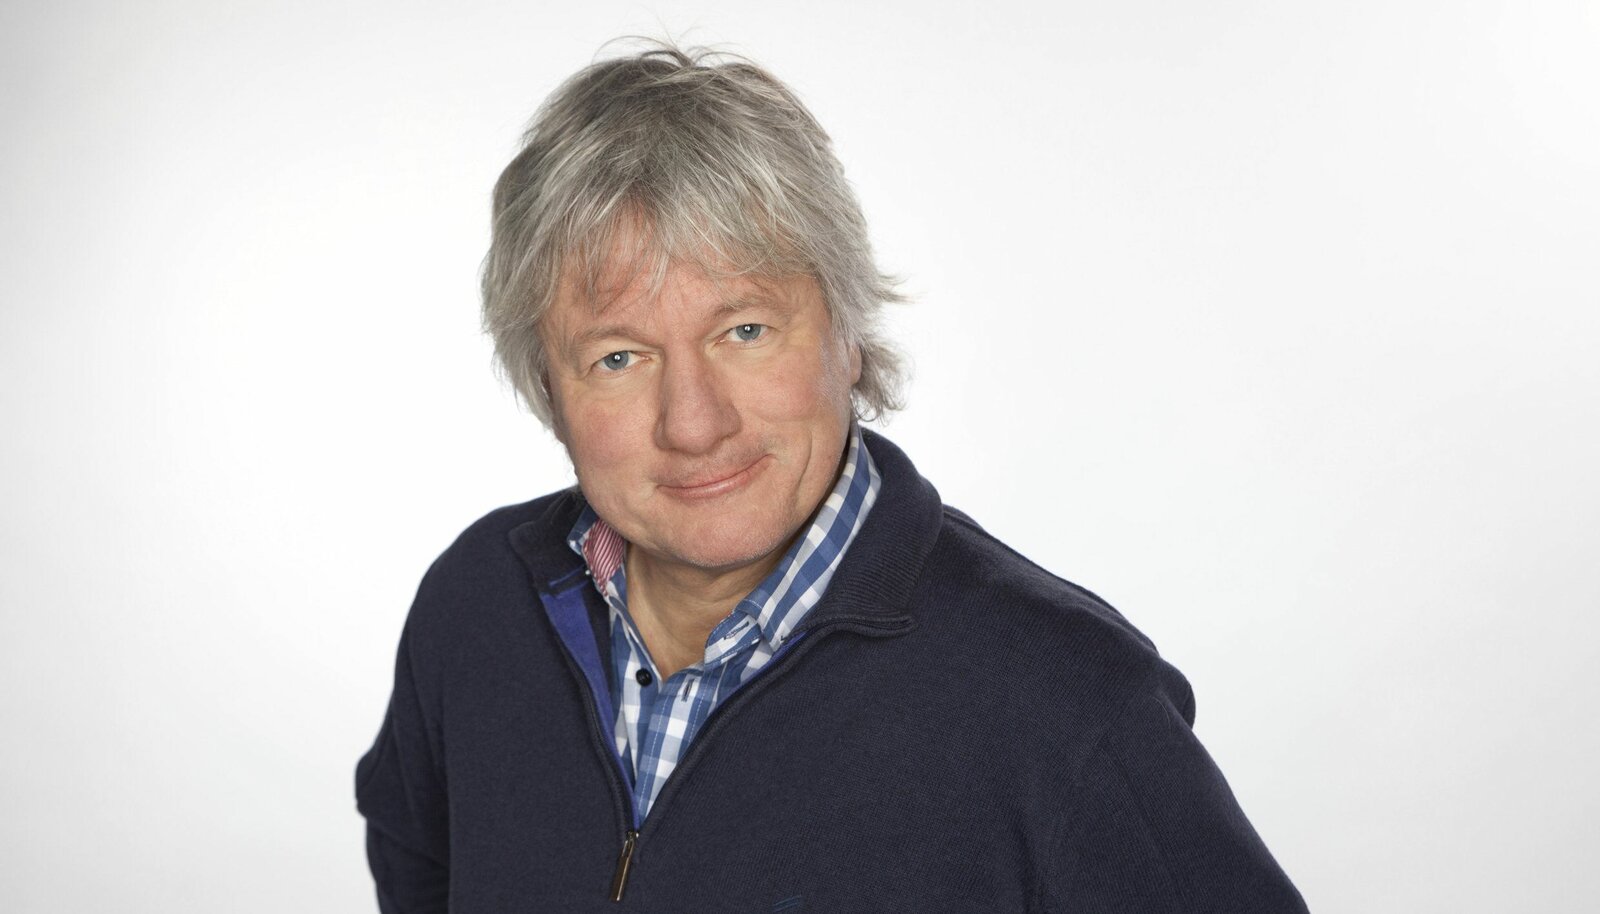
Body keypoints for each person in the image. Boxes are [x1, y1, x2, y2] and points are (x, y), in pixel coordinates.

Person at [354, 42, 1307, 913]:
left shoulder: (1065, 701)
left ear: (847, 336)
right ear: (549, 391)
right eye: (618, 357)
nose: (694, 423)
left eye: (745, 330)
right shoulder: (476, 606)